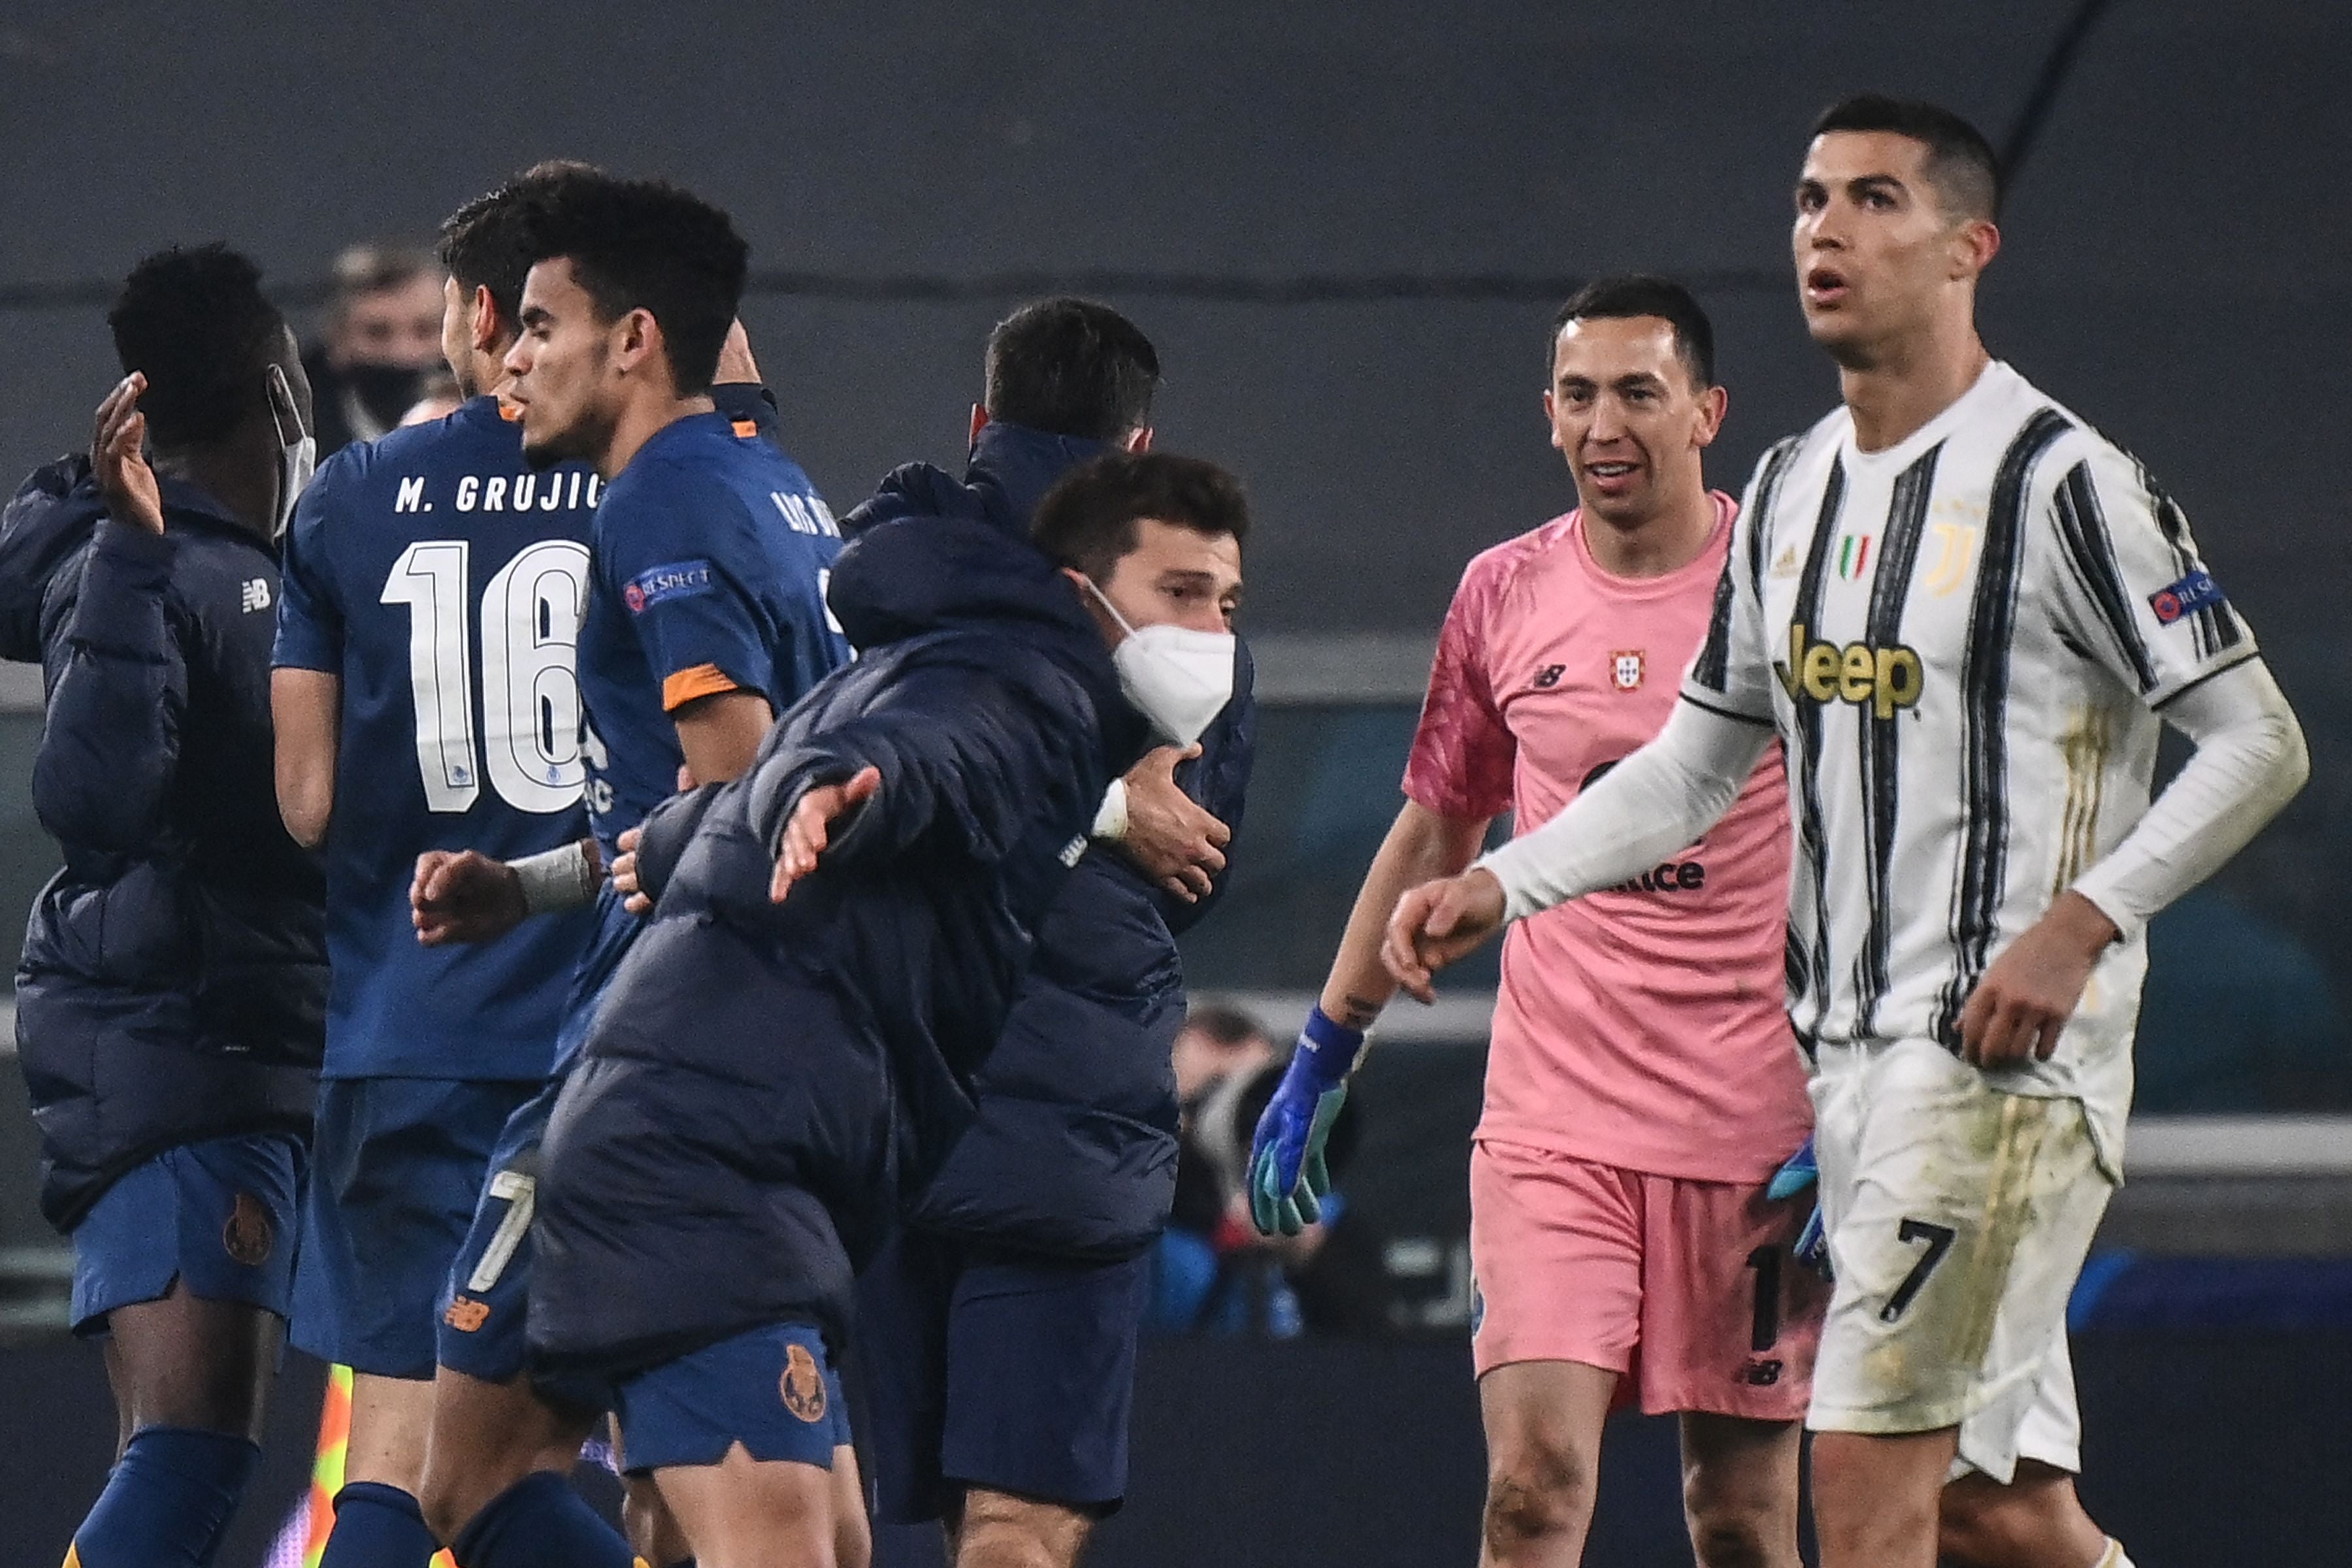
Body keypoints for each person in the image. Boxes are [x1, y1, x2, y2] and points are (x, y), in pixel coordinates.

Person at [1381, 97, 2310, 1568]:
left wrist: (2080, 925)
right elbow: (1696, 761)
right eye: (1812, 200)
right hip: (1844, 1080)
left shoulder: (2065, 485)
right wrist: (1505, 878)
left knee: (1863, 1498)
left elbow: (2260, 740)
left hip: (1995, 1073)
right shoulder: (1801, 491)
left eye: (1874, 200)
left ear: (1966, 249)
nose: (1826, 230)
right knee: (1997, 1509)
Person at [529, 449, 1246, 1568]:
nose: (1209, 633)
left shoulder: (873, 635)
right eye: (1183, 595)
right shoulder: (1031, 698)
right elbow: (925, 761)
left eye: (1225, 603)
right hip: (833, 1157)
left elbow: (741, 804)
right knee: (987, 1533)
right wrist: (853, 797)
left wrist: (593, 865)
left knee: (777, 1529)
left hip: (838, 1157)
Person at [1251, 276, 1823, 1566]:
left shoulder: (1789, 591)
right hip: (1555, 1121)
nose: (1603, 422)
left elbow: (1881, 848)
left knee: (1736, 1521)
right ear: (1548, 415)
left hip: (1759, 1132)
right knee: (1532, 1493)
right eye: (1578, 394)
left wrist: (1866, 1094)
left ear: (1706, 413)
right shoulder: (1502, 593)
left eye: (1637, 391)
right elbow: (1437, 829)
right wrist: (1324, 1054)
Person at [398, 171, 851, 1568]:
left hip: (658, 1071)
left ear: (636, 339)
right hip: (769, 1060)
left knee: (469, 1482)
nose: (512, 358)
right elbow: (692, 811)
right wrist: (527, 887)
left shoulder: (656, 502)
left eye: (541, 324)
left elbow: (740, 790)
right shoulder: (776, 483)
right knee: (695, 1508)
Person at [842, 297, 1254, 1568]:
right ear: (1137, 449)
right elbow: (1200, 860)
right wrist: (1107, 799)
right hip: (1067, 1123)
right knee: (1014, 1528)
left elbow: (829, 735)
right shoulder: (1188, 614)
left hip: (883, 1112)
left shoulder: (894, 561)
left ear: (980, 423)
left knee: (808, 1520)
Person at [0, 246, 327, 1567]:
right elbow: (91, 801)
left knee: (200, 1457)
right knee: (189, 1456)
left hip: (238, 1048)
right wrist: (131, 560)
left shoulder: (261, 563)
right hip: (181, 1053)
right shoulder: (140, 567)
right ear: (281, 391)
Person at [304, 244, 449, 456]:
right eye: (378, 333)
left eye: (425, 331)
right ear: (338, 339)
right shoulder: (293, 440)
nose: (404, 353)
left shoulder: (498, 431)